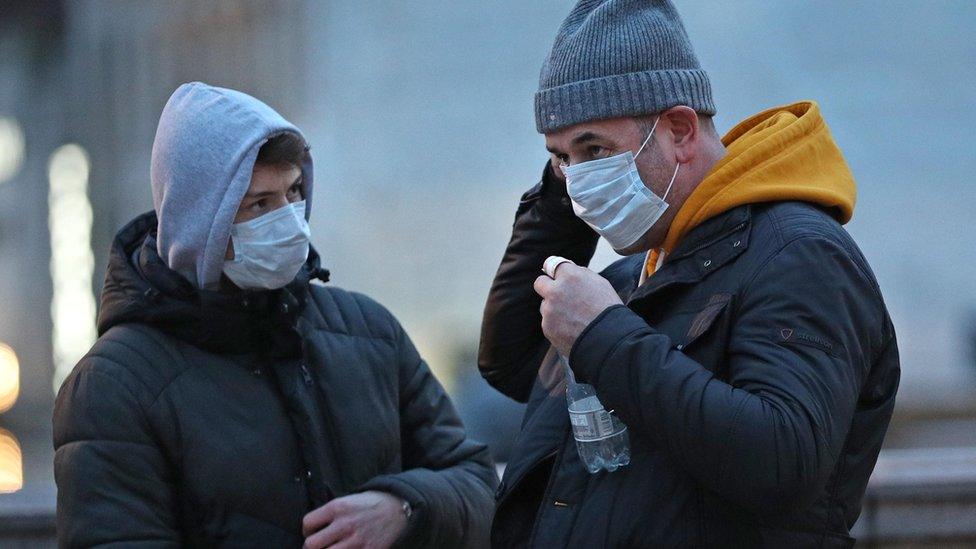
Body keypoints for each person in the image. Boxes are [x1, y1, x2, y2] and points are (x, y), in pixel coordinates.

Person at [479, 1, 899, 546]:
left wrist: (603, 336)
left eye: (595, 150)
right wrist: (564, 200)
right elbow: (511, 362)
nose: (579, 183)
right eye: (561, 158)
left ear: (679, 130)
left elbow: (785, 461)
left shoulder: (798, 254)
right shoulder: (643, 270)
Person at [54, 82, 496, 548]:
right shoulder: (114, 384)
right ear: (200, 223)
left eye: (293, 192)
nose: (288, 220)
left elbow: (477, 483)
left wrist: (405, 507)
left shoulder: (369, 332)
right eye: (258, 205)